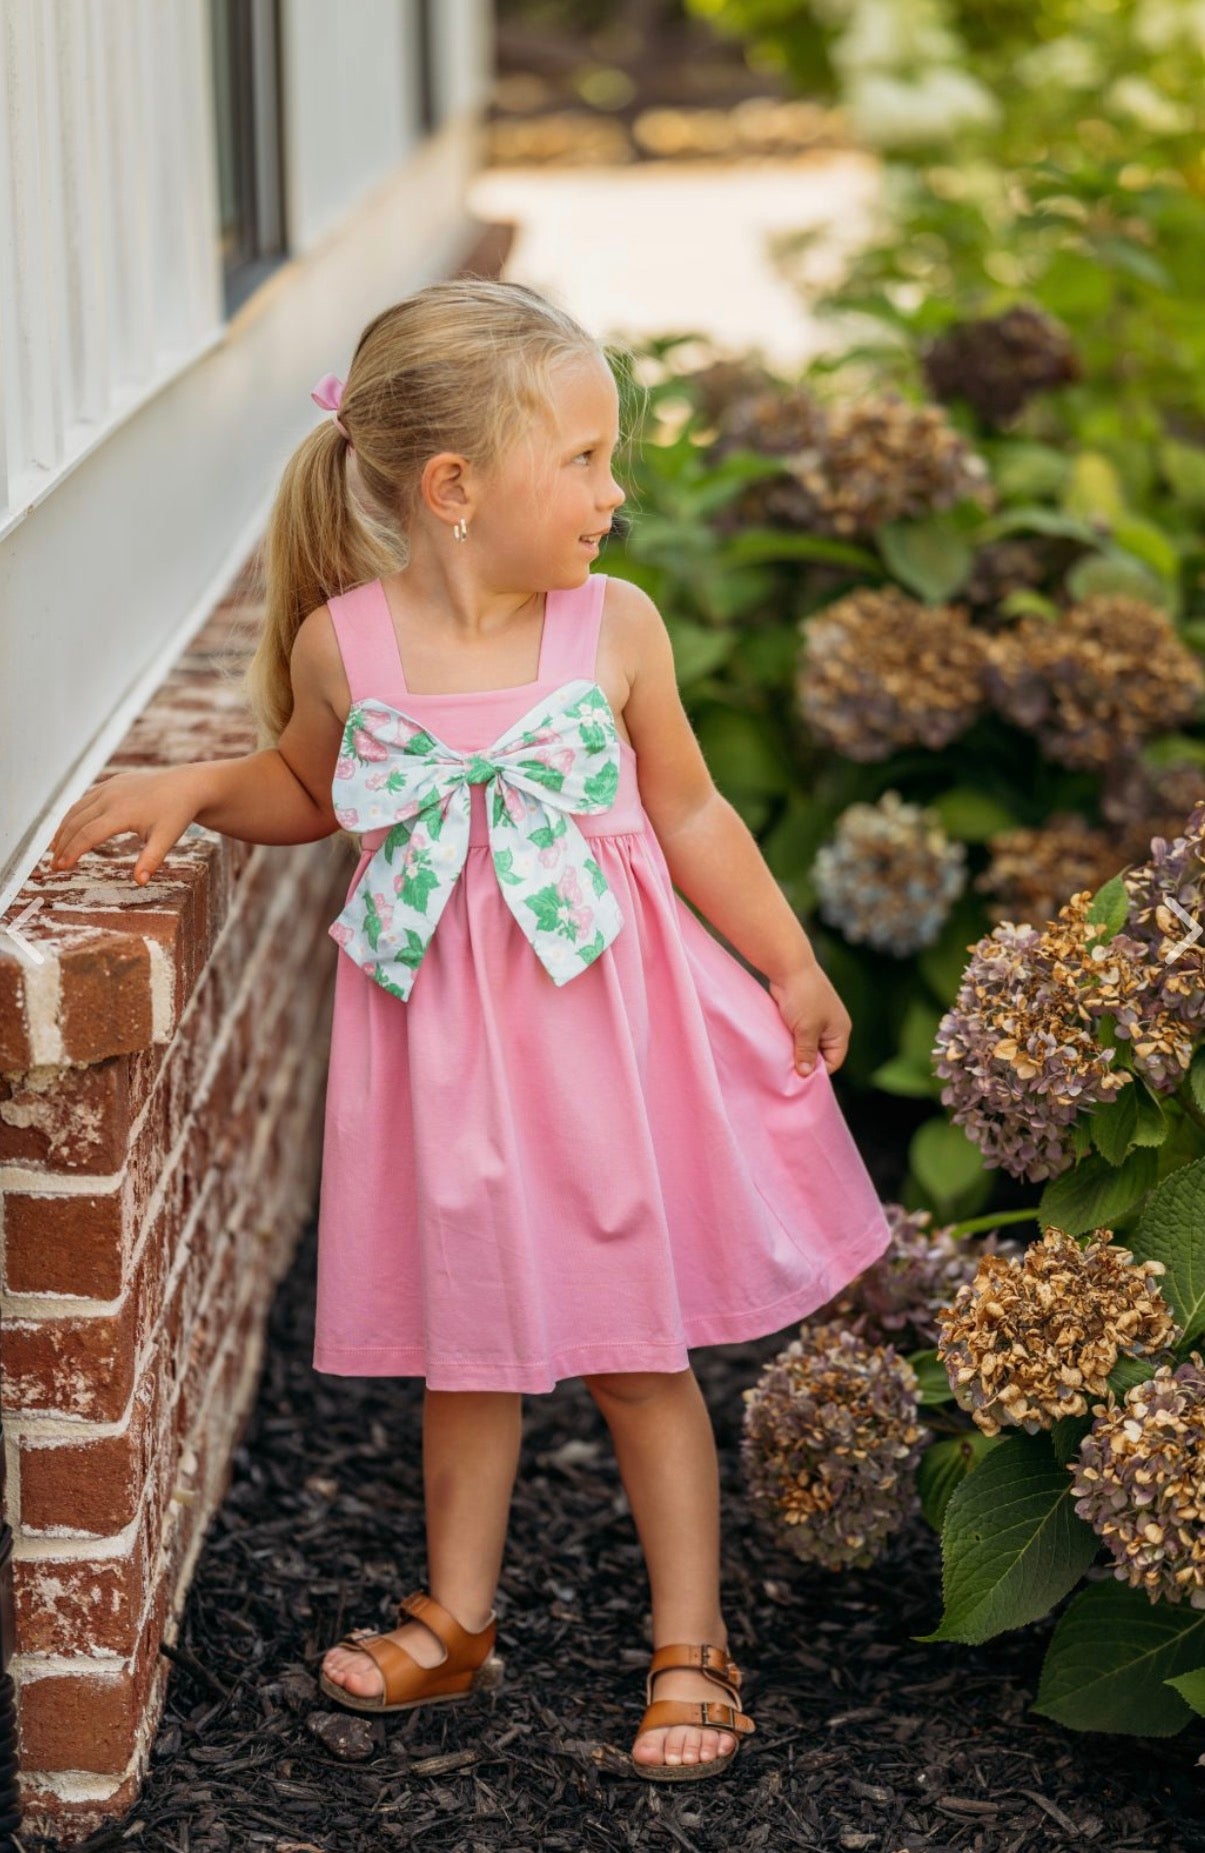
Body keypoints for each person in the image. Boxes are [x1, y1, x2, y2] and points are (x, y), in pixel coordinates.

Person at [48, 278, 893, 1783]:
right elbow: (308, 796)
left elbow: (688, 809)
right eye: (579, 459)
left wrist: (785, 960)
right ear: (454, 489)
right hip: (448, 1070)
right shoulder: (345, 651)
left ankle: (690, 1640)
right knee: (469, 1349)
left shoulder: (609, 630)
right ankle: (456, 1614)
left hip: (604, 1059)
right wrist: (193, 791)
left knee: (637, 1354)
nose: (612, 489)